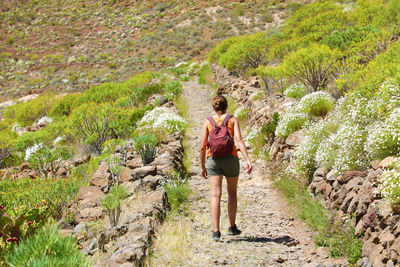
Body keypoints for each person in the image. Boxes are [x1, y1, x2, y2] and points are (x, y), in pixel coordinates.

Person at [199, 95, 252, 241]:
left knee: (215, 195)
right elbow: (239, 140)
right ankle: (232, 227)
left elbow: (202, 147)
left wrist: (203, 166)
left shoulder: (207, 122)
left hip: (213, 160)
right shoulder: (232, 119)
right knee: (232, 192)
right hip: (231, 159)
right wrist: (247, 160)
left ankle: (216, 232)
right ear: (226, 106)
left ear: (214, 107)